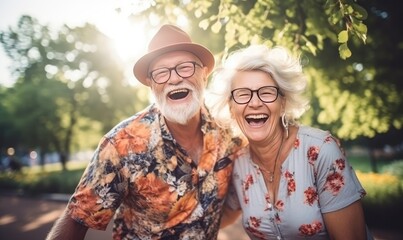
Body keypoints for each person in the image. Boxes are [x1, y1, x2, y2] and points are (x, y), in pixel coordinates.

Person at [46, 24, 245, 240]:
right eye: (161, 72)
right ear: (151, 84)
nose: (174, 78)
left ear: (204, 73)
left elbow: (230, 208)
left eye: (185, 67)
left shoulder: (229, 134)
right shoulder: (122, 143)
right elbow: (75, 221)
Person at [207, 44, 373, 239]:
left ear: (283, 102)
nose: (254, 103)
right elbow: (218, 217)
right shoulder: (238, 163)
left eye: (267, 92)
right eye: (243, 94)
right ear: (231, 106)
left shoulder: (320, 150)